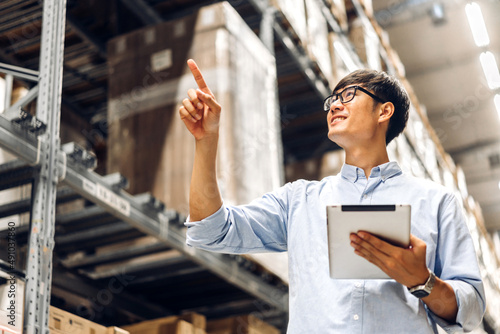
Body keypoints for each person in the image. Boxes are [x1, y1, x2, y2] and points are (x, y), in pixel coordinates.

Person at [178, 59, 486, 333]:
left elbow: (471, 311)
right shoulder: (298, 201)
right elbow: (210, 230)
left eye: (348, 95)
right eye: (332, 100)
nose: (335, 106)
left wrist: (423, 281)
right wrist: (206, 141)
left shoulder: (437, 202)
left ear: (385, 110)